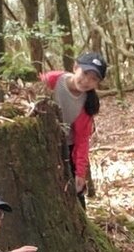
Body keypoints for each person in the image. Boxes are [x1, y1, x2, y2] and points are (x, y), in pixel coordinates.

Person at [41, 52, 107, 204]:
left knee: (74, 195)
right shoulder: (52, 80)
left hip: (67, 149)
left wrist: (80, 172)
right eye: (84, 73)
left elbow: (82, 140)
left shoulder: (87, 103)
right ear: (75, 67)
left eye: (94, 79)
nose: (86, 81)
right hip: (43, 142)